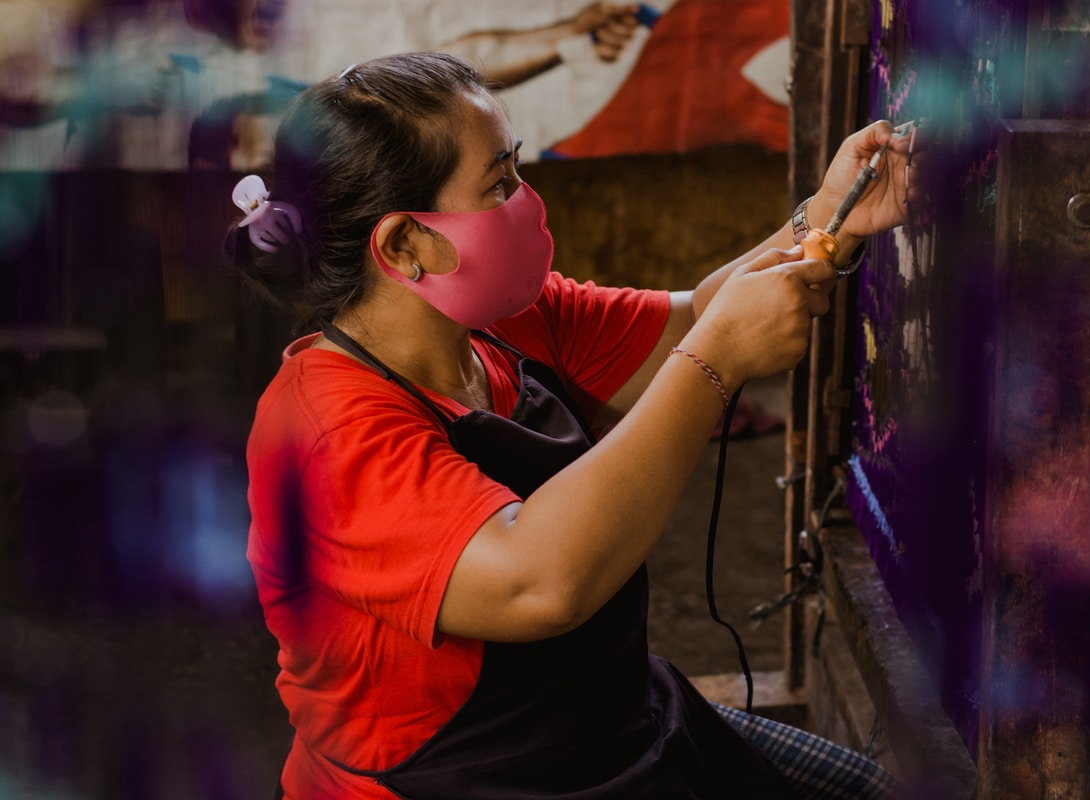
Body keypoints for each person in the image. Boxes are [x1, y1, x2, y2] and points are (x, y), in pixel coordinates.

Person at [230, 51, 915, 799]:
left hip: (612, 728)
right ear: (404, 246)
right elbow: (538, 582)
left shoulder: (499, 323)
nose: (526, 198)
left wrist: (827, 216)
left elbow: (687, 325)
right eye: (499, 183)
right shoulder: (325, 435)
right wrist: (715, 363)